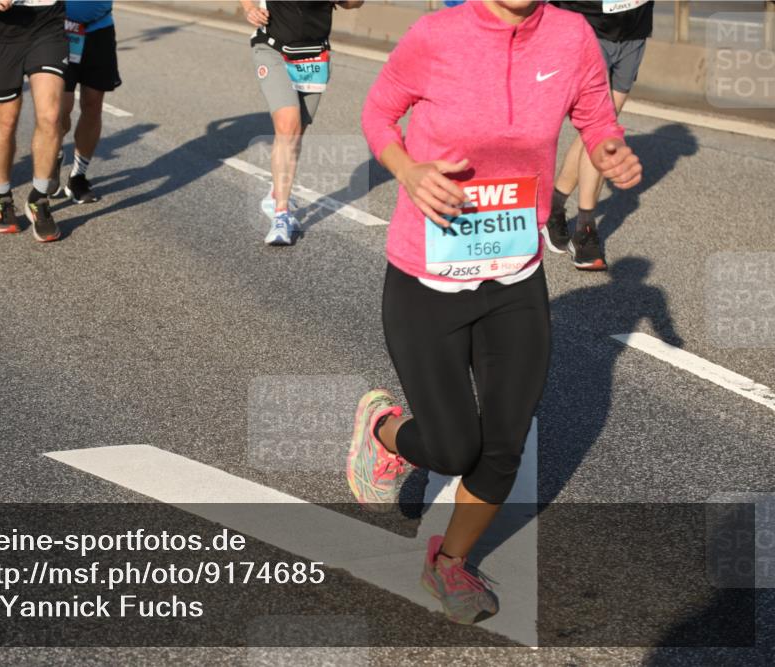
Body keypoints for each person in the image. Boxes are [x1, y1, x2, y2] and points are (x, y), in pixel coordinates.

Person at [350, 0, 642, 624]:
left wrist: (608, 145)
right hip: (427, 279)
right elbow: (379, 112)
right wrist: (408, 170)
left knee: (504, 445)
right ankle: (382, 427)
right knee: (455, 449)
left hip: (515, 277)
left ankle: (449, 561)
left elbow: (593, 110)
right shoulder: (435, 35)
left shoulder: (570, 36)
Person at [239, 0, 363, 246]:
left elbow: (355, 3)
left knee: (296, 132)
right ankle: (281, 215)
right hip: (272, 49)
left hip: (313, 56)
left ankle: (276, 192)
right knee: (288, 126)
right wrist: (249, 9)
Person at [545, 0, 655, 270]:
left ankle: (554, 207)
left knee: (599, 128)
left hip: (634, 32)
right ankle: (585, 232)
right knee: (600, 130)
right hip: (590, 28)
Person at [0, 0, 67, 242]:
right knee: (6, 120)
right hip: (1, 36)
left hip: (48, 28)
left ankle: (40, 198)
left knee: (51, 115)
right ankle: (2, 197)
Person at [53, 0, 120, 204]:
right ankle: (52, 152)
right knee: (60, 109)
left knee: (93, 105)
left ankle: (78, 177)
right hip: (58, 29)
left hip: (99, 28)